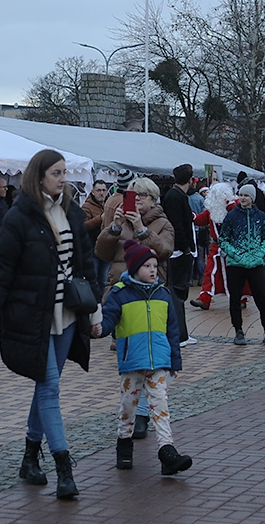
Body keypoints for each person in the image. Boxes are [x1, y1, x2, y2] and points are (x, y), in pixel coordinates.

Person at [0, 149, 102, 500]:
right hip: (33, 316)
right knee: (49, 388)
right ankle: (64, 466)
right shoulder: (20, 217)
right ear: (39, 176)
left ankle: (30, 456)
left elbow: (85, 264)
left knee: (48, 385)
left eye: (64, 173)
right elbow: (0, 269)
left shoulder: (72, 213)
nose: (63, 179)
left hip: (69, 314)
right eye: (56, 173)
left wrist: (95, 310)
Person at [96, 240, 192, 475]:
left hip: (159, 362)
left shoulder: (163, 294)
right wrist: (98, 328)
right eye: (147, 266)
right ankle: (124, 444)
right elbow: (108, 321)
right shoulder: (120, 294)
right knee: (128, 406)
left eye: (155, 265)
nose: (152, 270)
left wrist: (174, 362)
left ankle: (167, 451)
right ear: (134, 267)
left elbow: (172, 331)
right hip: (132, 363)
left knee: (160, 406)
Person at [96, 176, 175, 438]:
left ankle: (142, 415)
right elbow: (102, 252)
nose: (137, 199)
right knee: (129, 357)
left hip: (151, 300)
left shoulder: (163, 222)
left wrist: (142, 229)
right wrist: (115, 227)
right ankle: (130, 414)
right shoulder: (120, 220)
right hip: (121, 297)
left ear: (153, 199)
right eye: (133, 194)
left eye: (142, 195)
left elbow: (164, 250)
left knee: (149, 357)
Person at [219, 184, 265, 346]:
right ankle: (238, 331)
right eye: (241, 195)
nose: (243, 198)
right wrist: (235, 253)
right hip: (236, 264)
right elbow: (223, 240)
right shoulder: (232, 216)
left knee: (262, 298)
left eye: (247, 195)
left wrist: (258, 254)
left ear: (252, 198)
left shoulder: (260, 215)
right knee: (235, 299)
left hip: (256, 264)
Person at [189, 182, 247, 311]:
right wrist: (190, 215)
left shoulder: (236, 206)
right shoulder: (212, 210)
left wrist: (230, 206)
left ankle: (240, 298)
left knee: (237, 273)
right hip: (217, 246)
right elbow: (200, 220)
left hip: (234, 246)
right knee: (209, 272)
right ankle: (205, 298)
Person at [162, 164, 197, 345]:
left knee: (179, 292)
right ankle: (179, 334)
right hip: (178, 252)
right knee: (177, 292)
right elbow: (177, 225)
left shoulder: (176, 196)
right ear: (190, 180)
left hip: (180, 250)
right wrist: (186, 248)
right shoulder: (175, 197)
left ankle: (181, 333)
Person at [82, 179, 109, 287]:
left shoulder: (108, 205)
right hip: (92, 249)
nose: (101, 193)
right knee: (94, 279)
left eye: (103, 190)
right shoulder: (86, 207)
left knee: (105, 279)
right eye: (98, 190)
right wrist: (100, 218)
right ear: (93, 191)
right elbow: (83, 227)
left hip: (106, 249)